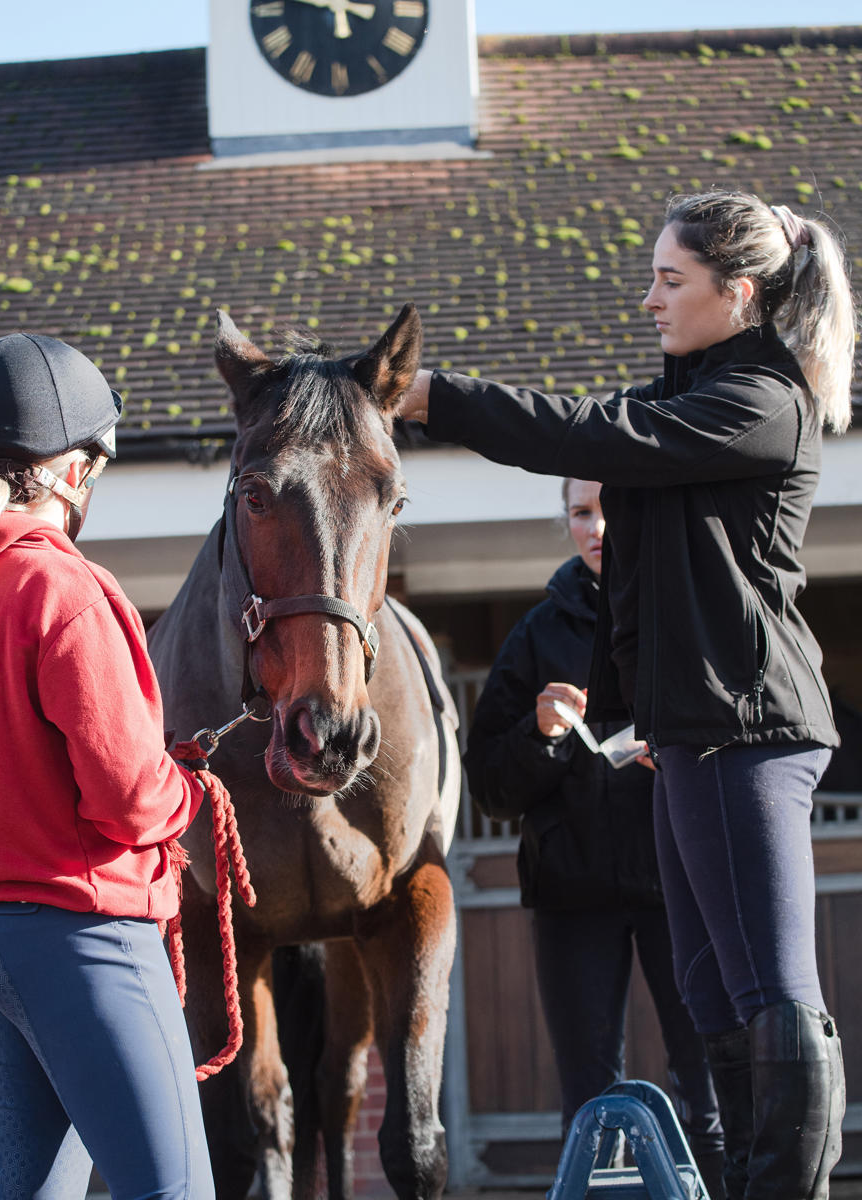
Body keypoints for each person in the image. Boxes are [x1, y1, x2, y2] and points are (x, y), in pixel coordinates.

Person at [398, 190, 855, 1200]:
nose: (648, 298)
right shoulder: (696, 401)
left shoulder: (759, 401)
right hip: (694, 735)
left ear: (735, 292)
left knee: (768, 995)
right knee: (708, 993)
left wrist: (431, 395)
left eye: (669, 279)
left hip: (748, 727)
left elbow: (588, 435)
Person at [0, 333, 215, 1200]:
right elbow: (128, 797)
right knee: (175, 1191)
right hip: (76, 930)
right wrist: (186, 790)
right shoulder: (64, 591)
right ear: (73, 470)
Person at [464, 477, 724, 1198]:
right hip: (572, 896)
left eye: (613, 507)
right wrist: (540, 733)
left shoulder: (691, 610)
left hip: (685, 888)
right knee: (589, 1104)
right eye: (582, 512)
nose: (599, 526)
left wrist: (680, 748)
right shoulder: (536, 635)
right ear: (566, 522)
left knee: (711, 1094)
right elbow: (486, 783)